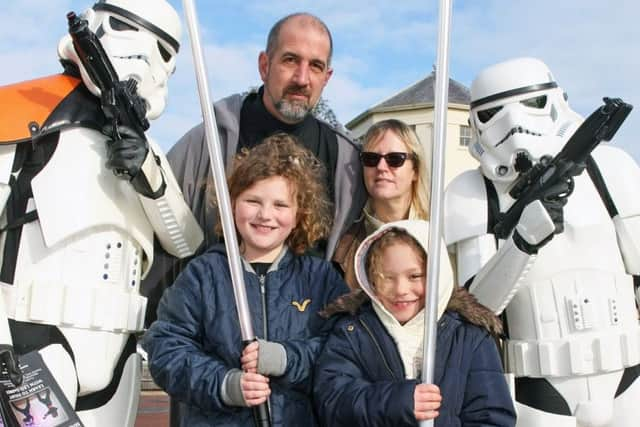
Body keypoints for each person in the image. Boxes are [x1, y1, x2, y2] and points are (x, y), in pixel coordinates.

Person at [0, 1, 203, 426]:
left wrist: (148, 174)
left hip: (120, 350)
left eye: (164, 50)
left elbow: (187, 241)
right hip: (32, 341)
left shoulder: (150, 153)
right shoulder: (19, 113)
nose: (147, 57)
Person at [444, 57, 640, 426]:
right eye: (492, 114)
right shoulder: (471, 195)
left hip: (628, 376)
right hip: (538, 389)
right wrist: (521, 243)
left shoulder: (611, 169)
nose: (512, 124)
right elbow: (477, 309)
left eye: (529, 103)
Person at [143, 12, 366, 322]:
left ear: (326, 77)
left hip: (305, 346)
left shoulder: (347, 160)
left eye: (315, 66)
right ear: (264, 65)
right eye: (290, 60)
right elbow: (158, 224)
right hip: (218, 335)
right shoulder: (211, 141)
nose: (302, 78)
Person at [143, 133, 349, 426]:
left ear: (299, 213)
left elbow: (343, 351)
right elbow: (167, 351)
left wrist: (287, 359)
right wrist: (225, 384)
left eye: (280, 205)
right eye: (253, 201)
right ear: (232, 203)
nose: (266, 215)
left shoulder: (320, 279)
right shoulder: (203, 275)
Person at [314, 220, 516, 426]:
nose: (401, 289)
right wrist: (396, 402)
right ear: (371, 280)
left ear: (438, 276)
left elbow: (492, 417)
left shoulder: (468, 337)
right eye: (387, 277)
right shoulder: (353, 333)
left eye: (415, 276)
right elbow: (333, 403)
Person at [333, 119, 430, 289]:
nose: (381, 167)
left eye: (394, 159)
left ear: (415, 169)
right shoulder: (343, 246)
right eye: (371, 159)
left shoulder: (440, 235)